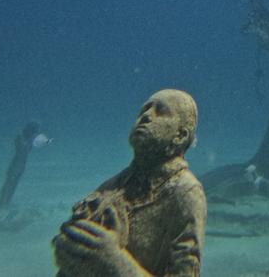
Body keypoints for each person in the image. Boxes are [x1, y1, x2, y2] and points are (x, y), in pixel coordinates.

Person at [52, 90, 207, 277]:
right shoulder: (115, 185)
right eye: (144, 110)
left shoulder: (185, 192)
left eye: (161, 111)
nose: (146, 116)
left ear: (180, 135)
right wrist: (70, 248)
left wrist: (114, 262)